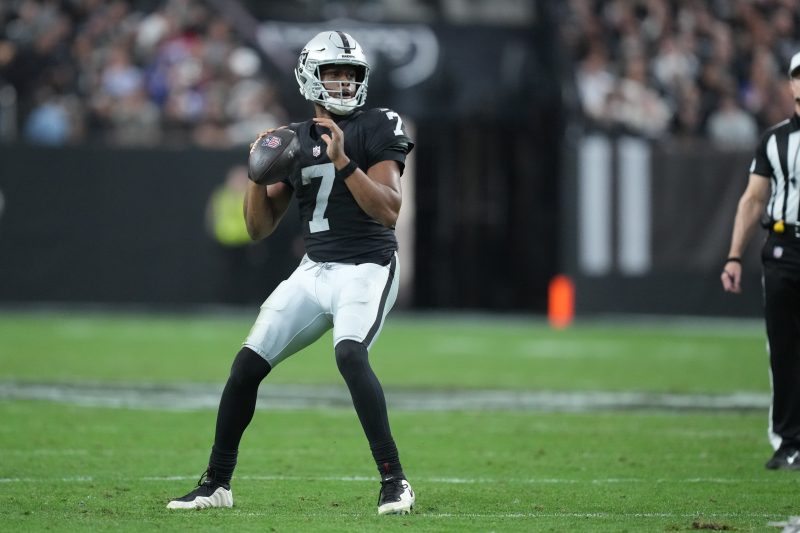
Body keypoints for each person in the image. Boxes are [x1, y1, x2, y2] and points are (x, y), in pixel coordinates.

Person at [167, 30, 416, 514]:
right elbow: (258, 228)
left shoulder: (378, 124)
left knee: (350, 354)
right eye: (333, 73)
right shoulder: (294, 139)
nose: (344, 83)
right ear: (310, 78)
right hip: (314, 270)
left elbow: (389, 210)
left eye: (351, 74)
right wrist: (255, 176)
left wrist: (343, 161)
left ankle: (395, 480)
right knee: (246, 365)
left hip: (367, 266)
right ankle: (216, 483)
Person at [722, 50, 800, 470]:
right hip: (785, 249)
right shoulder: (775, 140)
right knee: (784, 348)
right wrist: (734, 255)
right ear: (791, 84)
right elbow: (754, 199)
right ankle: (789, 440)